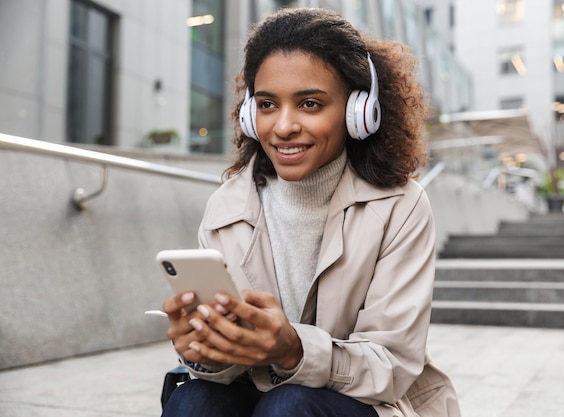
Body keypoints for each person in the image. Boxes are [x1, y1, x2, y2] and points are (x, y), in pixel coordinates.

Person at [161, 7, 461, 417]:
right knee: (194, 399)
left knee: (289, 405)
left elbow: (391, 365)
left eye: (310, 104)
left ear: (359, 114)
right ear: (250, 114)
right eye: (267, 104)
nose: (283, 126)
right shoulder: (226, 206)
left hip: (369, 400)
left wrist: (294, 349)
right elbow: (226, 375)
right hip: (263, 394)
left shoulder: (400, 206)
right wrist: (205, 352)